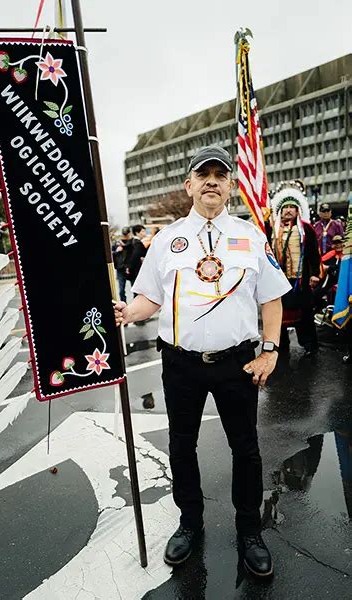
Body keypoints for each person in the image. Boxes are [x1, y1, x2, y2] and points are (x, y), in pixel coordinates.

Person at [114, 145, 291, 577]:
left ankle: (250, 530)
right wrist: (127, 312)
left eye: (220, 174)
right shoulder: (165, 241)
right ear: (188, 184)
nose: (212, 180)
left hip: (236, 364)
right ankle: (189, 523)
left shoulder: (251, 236)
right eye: (203, 174)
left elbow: (271, 299)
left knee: (246, 449)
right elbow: (148, 298)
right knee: (181, 446)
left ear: (230, 185)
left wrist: (269, 351)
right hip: (181, 365)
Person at [270, 181, 321, 356]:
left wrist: (315, 274)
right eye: (286, 207)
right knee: (279, 314)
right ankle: (281, 347)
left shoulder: (306, 229)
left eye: (293, 207)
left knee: (304, 314)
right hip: (279, 280)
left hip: (301, 280)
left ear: (298, 210)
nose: (289, 210)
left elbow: (314, 253)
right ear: (280, 210)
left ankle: (309, 346)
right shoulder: (272, 228)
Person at [112, 227, 133, 303]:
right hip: (120, 268)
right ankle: (124, 304)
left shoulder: (132, 242)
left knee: (135, 289)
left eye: (127, 234)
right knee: (121, 290)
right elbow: (111, 254)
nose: (126, 236)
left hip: (130, 268)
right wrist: (117, 251)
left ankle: (135, 305)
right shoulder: (116, 243)